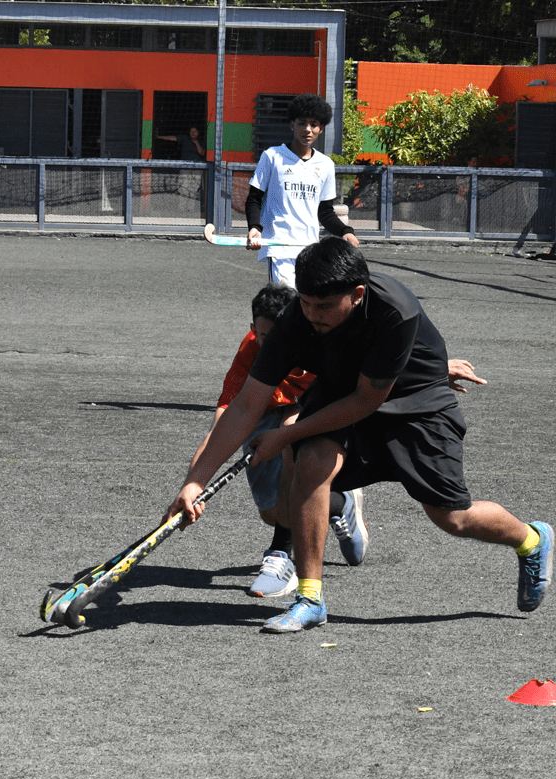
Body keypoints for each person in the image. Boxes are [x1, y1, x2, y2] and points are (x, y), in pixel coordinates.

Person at [167, 238, 552, 633]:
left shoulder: (393, 310)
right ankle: (310, 597)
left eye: (324, 306)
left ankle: (531, 539)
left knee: (452, 517)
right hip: (344, 392)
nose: (312, 315)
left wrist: (287, 434)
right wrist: (194, 482)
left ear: (357, 294)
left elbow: (366, 401)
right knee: (311, 458)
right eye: (305, 302)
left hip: (415, 403)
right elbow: (247, 405)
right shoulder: (294, 322)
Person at [193, 285, 367, 600]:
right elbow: (225, 417)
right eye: (263, 337)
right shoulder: (249, 352)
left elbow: (376, 368)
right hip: (265, 410)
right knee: (272, 512)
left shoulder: (322, 340)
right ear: (252, 331)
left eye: (277, 335)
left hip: (316, 408)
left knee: (294, 437)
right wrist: (194, 484)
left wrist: (435, 371)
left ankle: (280, 557)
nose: (270, 344)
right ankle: (340, 503)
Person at [246, 93, 359, 288]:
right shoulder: (272, 156)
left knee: (307, 306)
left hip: (309, 249)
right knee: (287, 302)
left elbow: (324, 211)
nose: (307, 129)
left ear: (321, 129)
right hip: (279, 247)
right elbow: (254, 198)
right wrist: (255, 228)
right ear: (292, 124)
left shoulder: (325, 164)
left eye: (314, 124)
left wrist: (345, 231)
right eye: (302, 123)